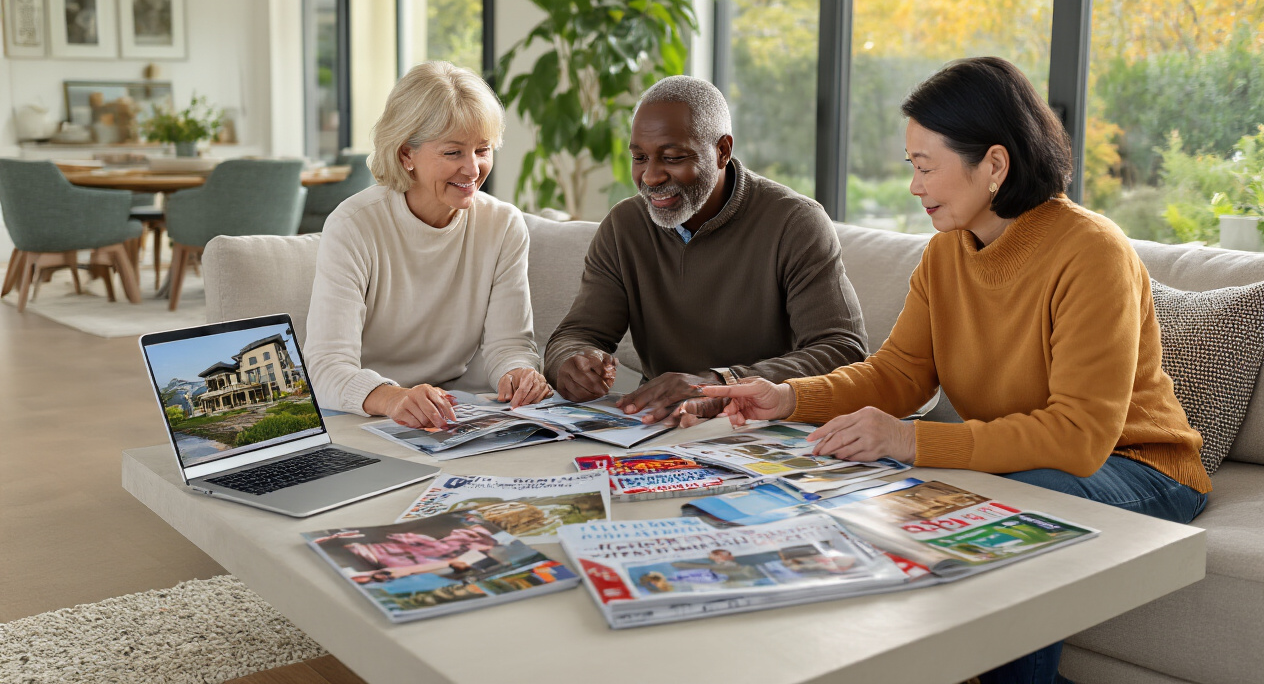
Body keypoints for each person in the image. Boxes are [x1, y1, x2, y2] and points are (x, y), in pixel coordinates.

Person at [702, 57, 1211, 684]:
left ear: (994, 164)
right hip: (1025, 463)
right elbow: (899, 374)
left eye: (925, 166)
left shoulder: (1091, 252)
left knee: (1016, 504)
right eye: (911, 166)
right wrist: (788, 397)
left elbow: (1078, 438)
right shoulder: (946, 252)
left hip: (1139, 465)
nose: (914, 187)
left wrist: (911, 440)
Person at [542, 75, 868, 426]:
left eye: (672, 157)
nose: (650, 176)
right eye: (639, 157)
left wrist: (720, 384)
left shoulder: (795, 222)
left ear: (722, 151)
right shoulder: (625, 225)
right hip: (657, 425)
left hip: (760, 424)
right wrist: (571, 363)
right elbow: (577, 334)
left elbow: (843, 349)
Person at [305, 61, 551, 429]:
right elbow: (325, 366)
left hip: (455, 408)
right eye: (453, 153)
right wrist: (394, 398)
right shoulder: (354, 225)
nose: (473, 170)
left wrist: (518, 374)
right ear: (407, 154)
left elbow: (510, 344)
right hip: (367, 410)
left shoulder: (503, 225)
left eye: (482, 150)